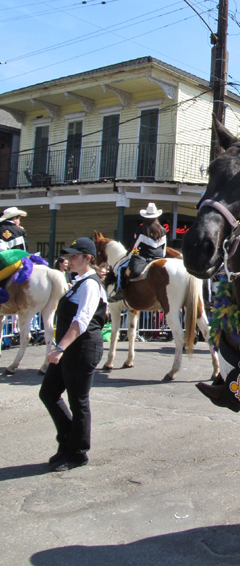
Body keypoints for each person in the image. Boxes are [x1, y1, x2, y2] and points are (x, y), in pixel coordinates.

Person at [39, 237, 107, 471]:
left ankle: (77, 453)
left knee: (78, 401)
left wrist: (60, 347)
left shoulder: (90, 284)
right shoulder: (80, 282)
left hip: (82, 348)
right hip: (71, 348)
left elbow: (82, 321)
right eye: (69, 256)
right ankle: (68, 441)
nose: (69, 259)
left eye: (75, 256)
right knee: (48, 393)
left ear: (88, 259)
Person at [110, 202, 167, 302]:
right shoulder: (163, 230)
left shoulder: (141, 229)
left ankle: (120, 290)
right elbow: (164, 249)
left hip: (144, 258)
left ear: (145, 217)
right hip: (160, 257)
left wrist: (129, 255)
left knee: (121, 268)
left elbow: (135, 247)